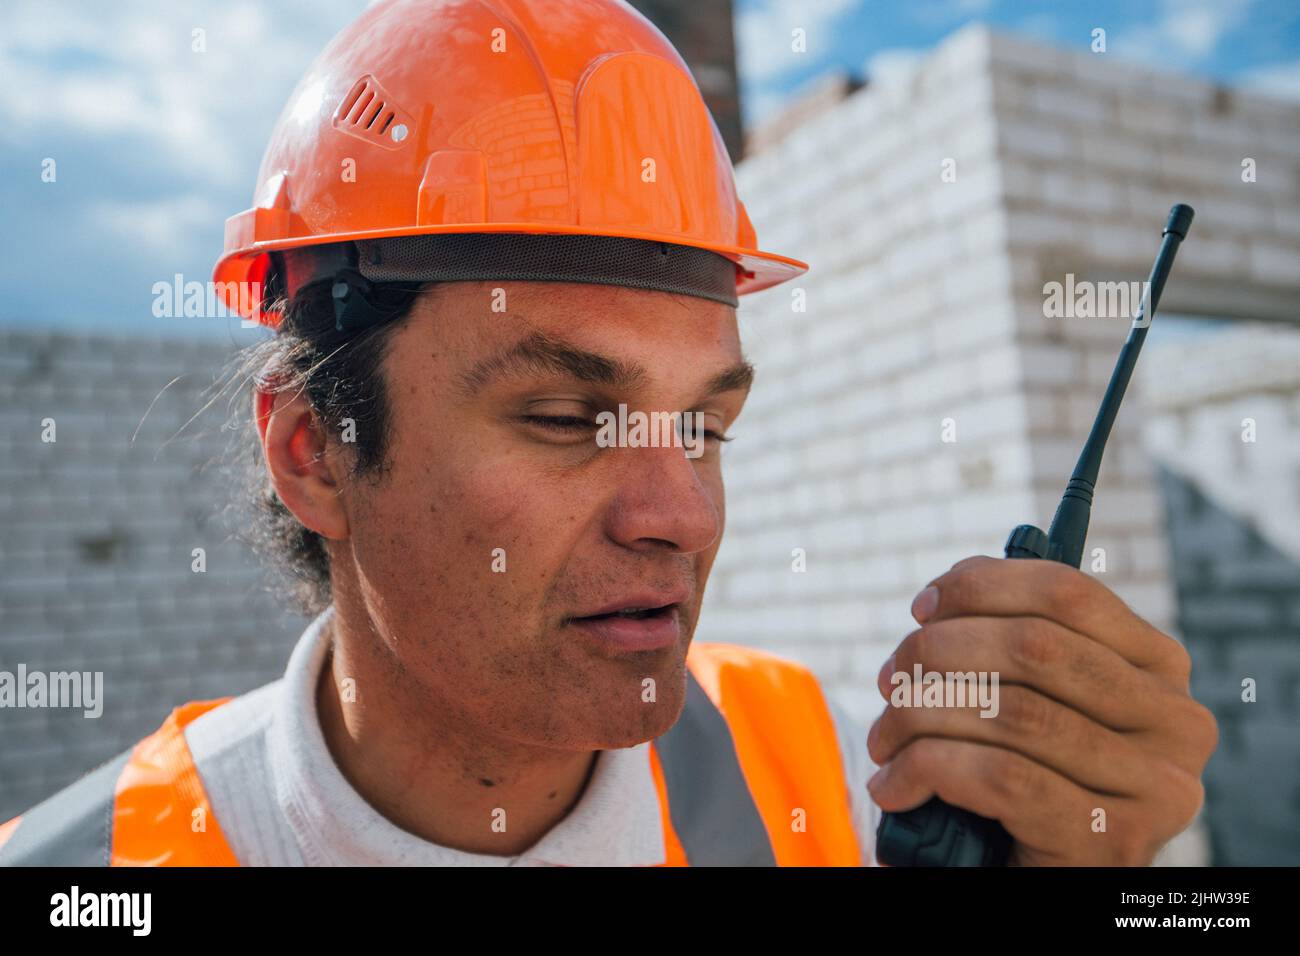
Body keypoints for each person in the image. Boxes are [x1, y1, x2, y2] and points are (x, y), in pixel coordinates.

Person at [0, 0, 1215, 867]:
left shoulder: (830, 779)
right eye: (571, 417)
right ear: (313, 449)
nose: (680, 514)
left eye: (703, 425)